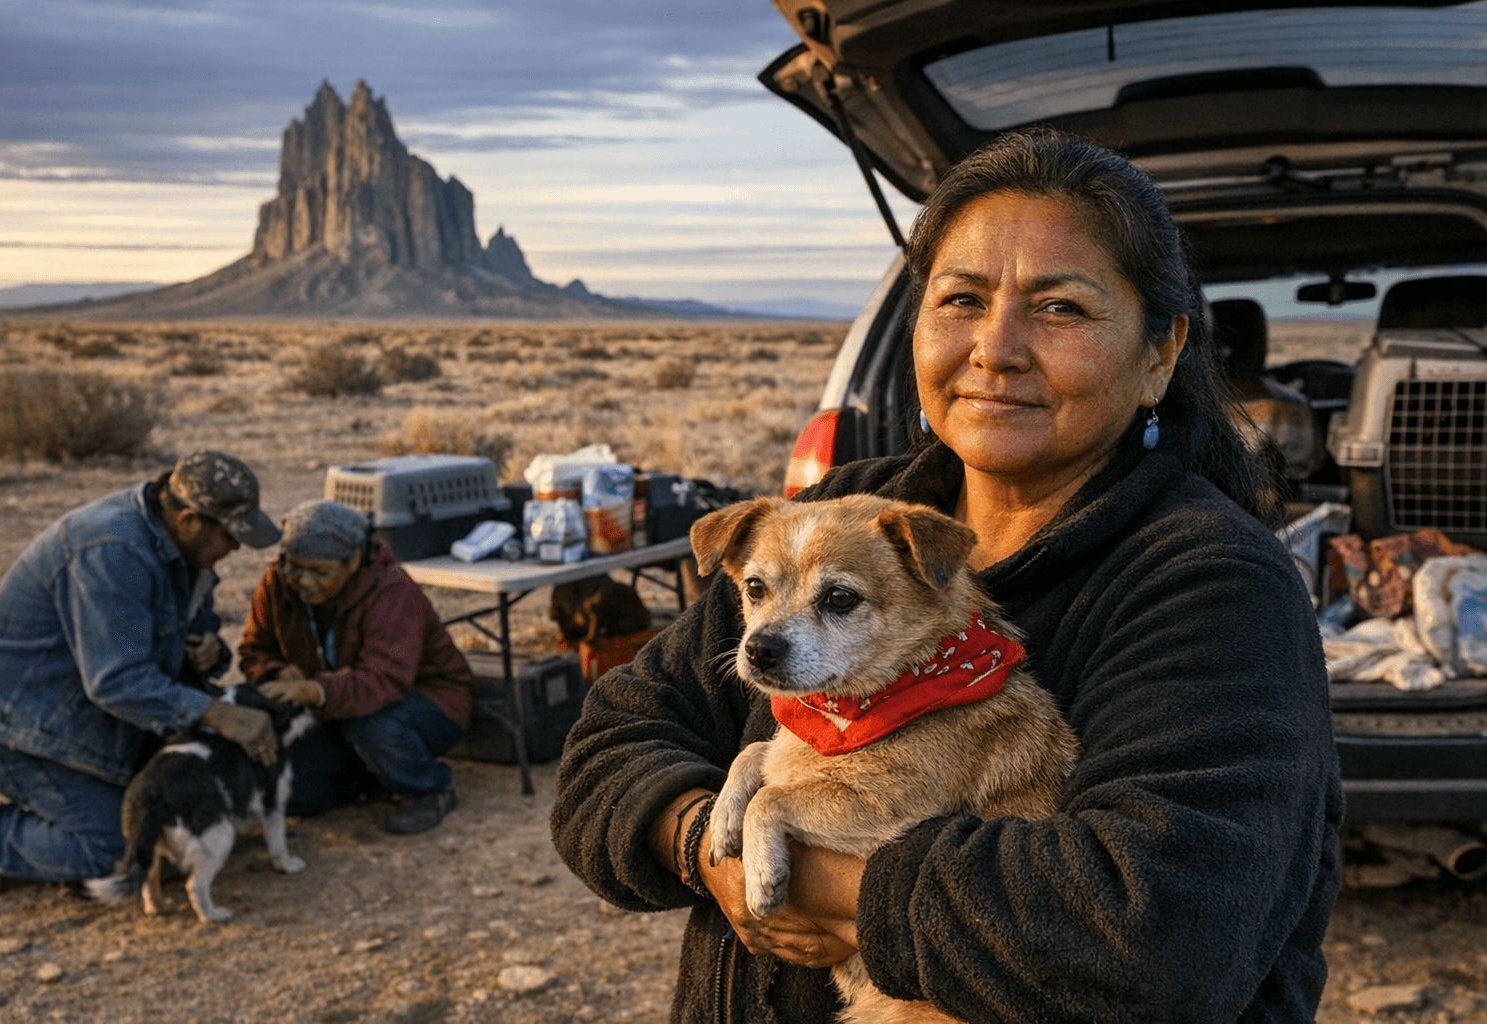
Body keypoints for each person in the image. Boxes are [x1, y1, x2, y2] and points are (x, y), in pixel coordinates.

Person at [551, 128, 1343, 1023]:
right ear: (918, 324)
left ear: (1159, 355)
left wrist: (823, 877)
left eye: (1060, 309)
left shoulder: (1212, 585)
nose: (995, 349)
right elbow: (606, 749)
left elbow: (1156, 938)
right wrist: (706, 844)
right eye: (960, 298)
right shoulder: (836, 520)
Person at [0, 450, 283, 892]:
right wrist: (218, 714)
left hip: (98, 720)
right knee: (119, 850)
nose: (237, 547)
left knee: (185, 815)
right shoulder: (112, 550)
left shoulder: (184, 552)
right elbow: (117, 680)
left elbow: (191, 644)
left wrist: (208, 652)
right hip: (20, 728)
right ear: (187, 521)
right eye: (230, 534)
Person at [237, 499, 474, 835]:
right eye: (294, 567)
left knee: (371, 723)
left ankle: (430, 789)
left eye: (320, 572)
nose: (303, 581)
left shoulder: (391, 590)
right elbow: (254, 648)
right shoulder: (277, 582)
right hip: (336, 710)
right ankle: (368, 776)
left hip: (427, 701)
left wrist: (315, 690)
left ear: (353, 562)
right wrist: (275, 670)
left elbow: (385, 679)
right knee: (296, 795)